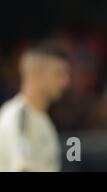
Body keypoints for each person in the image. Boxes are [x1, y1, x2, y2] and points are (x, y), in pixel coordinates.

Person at [0, 42, 71, 171]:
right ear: (36, 74)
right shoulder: (19, 117)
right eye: (59, 73)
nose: (65, 81)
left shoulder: (42, 120)